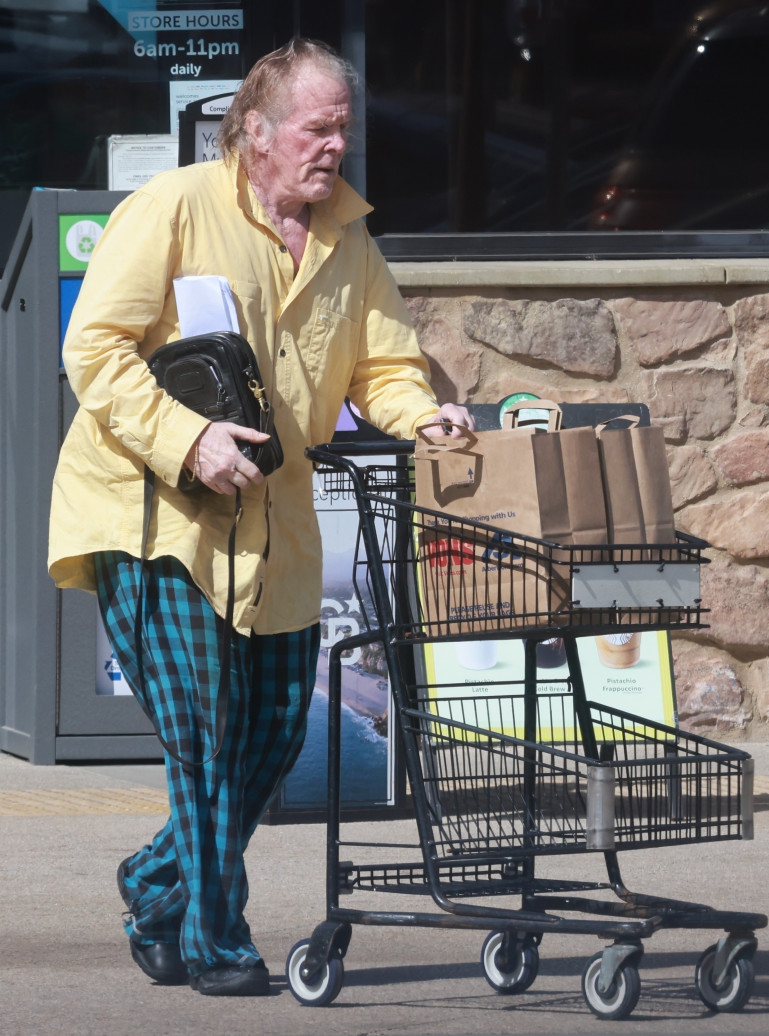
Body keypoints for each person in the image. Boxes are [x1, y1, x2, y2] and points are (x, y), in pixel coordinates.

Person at [48, 38, 474, 998]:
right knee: (203, 731)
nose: (334, 149)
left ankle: (154, 882)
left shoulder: (347, 238)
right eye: (318, 130)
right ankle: (217, 939)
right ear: (256, 132)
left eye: (343, 132)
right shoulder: (174, 205)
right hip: (155, 513)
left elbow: (387, 365)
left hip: (275, 524)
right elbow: (95, 347)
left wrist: (426, 415)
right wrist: (187, 440)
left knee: (276, 736)